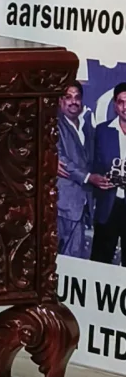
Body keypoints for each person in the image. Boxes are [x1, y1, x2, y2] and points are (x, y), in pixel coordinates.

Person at [57, 82, 97, 258]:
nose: (73, 101)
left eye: (77, 97)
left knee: (74, 260)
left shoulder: (86, 126)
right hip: (61, 205)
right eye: (68, 97)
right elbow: (60, 158)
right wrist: (88, 177)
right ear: (60, 101)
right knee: (55, 260)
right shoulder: (54, 125)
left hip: (82, 205)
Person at [90, 82, 126, 264]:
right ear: (114, 105)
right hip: (108, 205)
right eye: (121, 102)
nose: (125, 107)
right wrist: (96, 178)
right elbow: (93, 164)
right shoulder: (102, 131)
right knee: (100, 262)